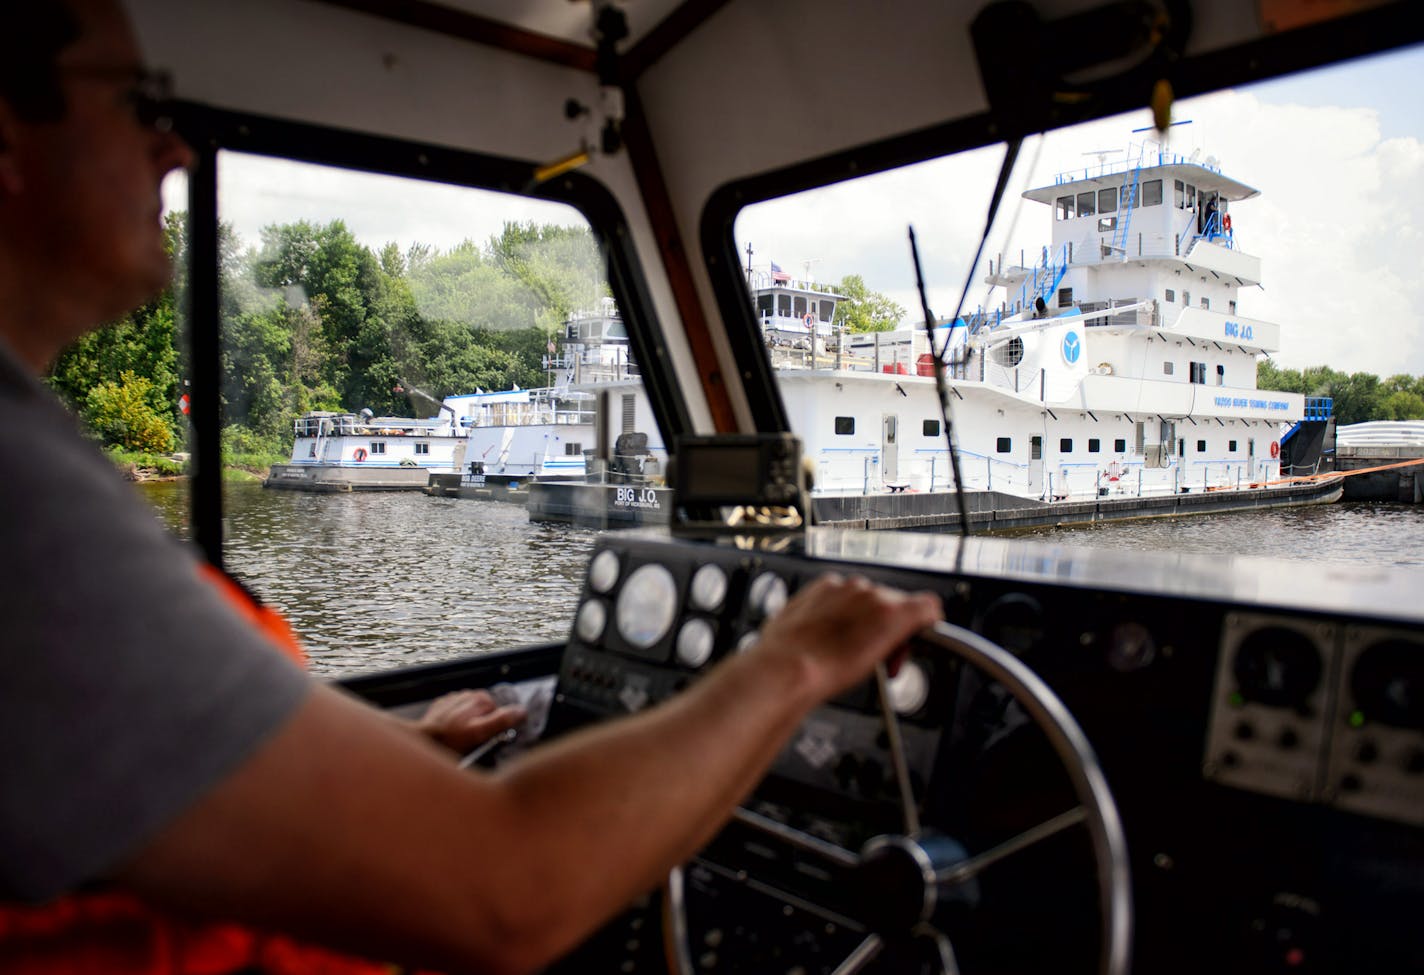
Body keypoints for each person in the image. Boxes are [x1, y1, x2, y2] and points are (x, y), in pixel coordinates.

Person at [0, 2, 944, 973]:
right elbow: (510, 891)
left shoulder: (36, 467)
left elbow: (168, 773)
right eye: (137, 103)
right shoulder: (23, 510)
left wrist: (407, 740)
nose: (177, 152)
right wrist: (793, 660)